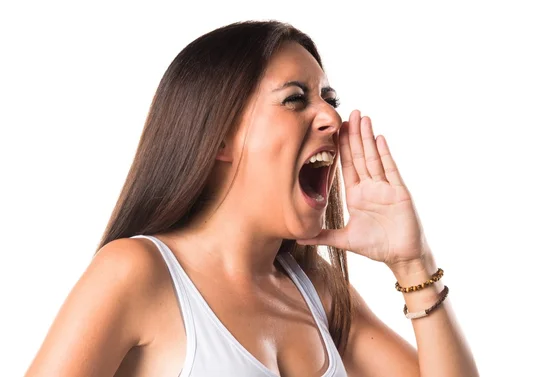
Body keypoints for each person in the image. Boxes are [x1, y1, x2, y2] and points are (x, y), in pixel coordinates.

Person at [25, 20, 478, 377]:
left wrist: (413, 264)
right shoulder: (135, 273)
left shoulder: (315, 290)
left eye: (329, 98)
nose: (330, 117)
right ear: (219, 138)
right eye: (295, 99)